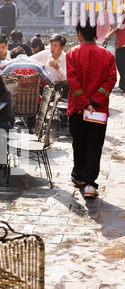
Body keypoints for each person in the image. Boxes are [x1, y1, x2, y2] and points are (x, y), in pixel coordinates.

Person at [66, 17, 117, 198]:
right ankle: (89, 184)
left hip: (78, 110)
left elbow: (73, 81)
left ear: (79, 34)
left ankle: (79, 176)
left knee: (78, 143)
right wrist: (95, 102)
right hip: (99, 110)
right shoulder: (108, 55)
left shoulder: (71, 53)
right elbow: (111, 80)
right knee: (94, 145)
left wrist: (85, 103)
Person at [30, 34, 69, 99]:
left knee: (68, 84)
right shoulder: (44, 54)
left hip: (59, 85)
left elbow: (64, 78)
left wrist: (58, 68)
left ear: (62, 47)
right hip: (45, 85)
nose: (52, 48)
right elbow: (30, 60)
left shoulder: (66, 58)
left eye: (56, 46)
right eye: (51, 45)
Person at [104, 6, 125, 93]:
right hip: (121, 44)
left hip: (121, 45)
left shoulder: (122, 17)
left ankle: (123, 86)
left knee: (121, 66)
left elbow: (117, 28)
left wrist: (108, 35)